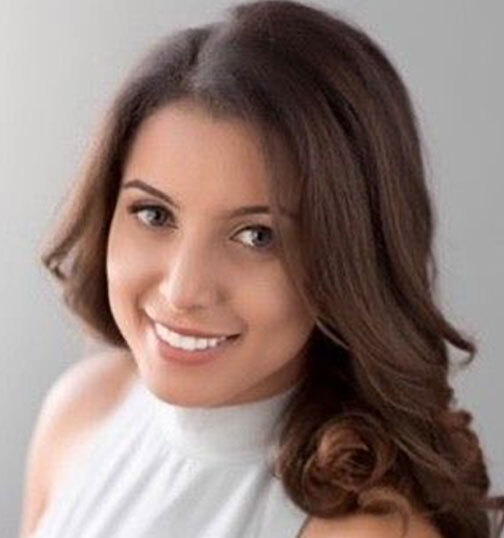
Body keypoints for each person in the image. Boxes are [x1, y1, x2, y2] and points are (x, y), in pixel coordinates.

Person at [19, 1, 504, 537]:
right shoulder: (82, 410)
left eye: (257, 236)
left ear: (349, 259)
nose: (183, 290)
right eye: (153, 214)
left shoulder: (365, 530)